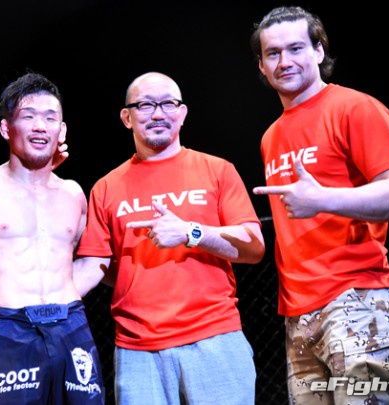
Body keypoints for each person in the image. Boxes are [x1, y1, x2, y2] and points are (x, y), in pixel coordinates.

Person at [73, 71, 265, 404]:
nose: (158, 114)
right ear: (127, 118)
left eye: (167, 104)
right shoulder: (106, 188)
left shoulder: (217, 170)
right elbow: (95, 266)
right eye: (145, 105)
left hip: (215, 338)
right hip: (137, 350)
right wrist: (44, 298)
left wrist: (190, 232)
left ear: (183, 113)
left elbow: (253, 246)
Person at [250, 6, 389, 404]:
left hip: (359, 301)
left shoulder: (354, 107)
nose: (284, 61)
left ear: (319, 51)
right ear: (262, 66)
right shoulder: (271, 136)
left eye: (296, 48)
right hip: (298, 315)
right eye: (273, 53)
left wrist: (324, 199)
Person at [0, 72, 105, 404]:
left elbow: (95, 256)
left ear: (62, 130)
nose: (40, 126)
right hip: (11, 328)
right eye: (28, 116)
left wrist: (67, 293)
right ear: (6, 128)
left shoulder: (73, 193)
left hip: (73, 325)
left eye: (50, 117)